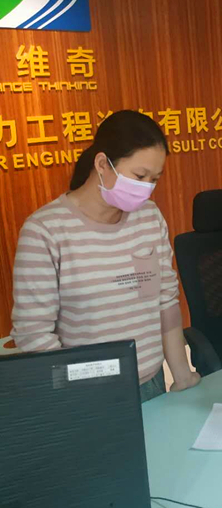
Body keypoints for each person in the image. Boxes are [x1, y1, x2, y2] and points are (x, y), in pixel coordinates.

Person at [11, 110, 200, 402]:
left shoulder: (149, 218)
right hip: (86, 397)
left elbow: (165, 300)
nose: (147, 189)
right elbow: (34, 335)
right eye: (140, 176)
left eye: (154, 179)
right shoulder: (45, 230)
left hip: (151, 384)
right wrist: (82, 397)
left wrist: (182, 375)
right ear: (102, 164)